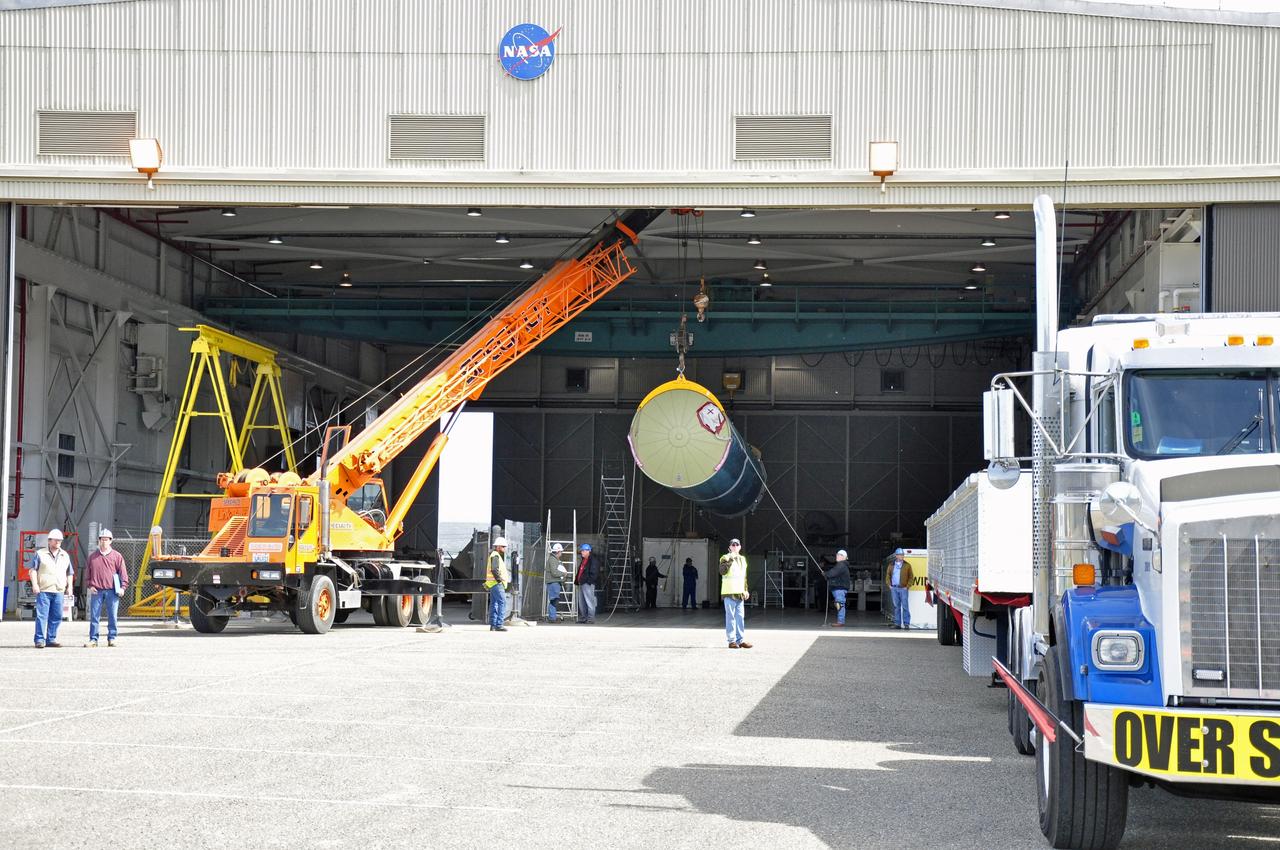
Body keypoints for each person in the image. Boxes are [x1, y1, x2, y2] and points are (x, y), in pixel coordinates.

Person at [29, 528, 73, 649]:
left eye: (60, 540)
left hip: (58, 590)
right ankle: (39, 639)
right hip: (44, 590)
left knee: (57, 616)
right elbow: (33, 570)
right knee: (42, 616)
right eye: (55, 540)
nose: (58, 542)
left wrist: (70, 587)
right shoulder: (40, 554)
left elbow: (69, 573)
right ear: (49, 541)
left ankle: (51, 639)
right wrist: (35, 585)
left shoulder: (65, 555)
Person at [85, 528, 129, 647]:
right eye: (102, 539)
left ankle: (112, 638)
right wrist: (90, 585)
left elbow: (123, 573)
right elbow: (87, 573)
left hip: (112, 591)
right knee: (94, 616)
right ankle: (93, 639)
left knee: (112, 615)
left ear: (111, 541)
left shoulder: (117, 556)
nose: (104, 542)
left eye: (106, 539)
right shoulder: (92, 557)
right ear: (99, 541)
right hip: (97, 590)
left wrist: (123, 587)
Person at [718, 538, 752, 649]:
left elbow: (744, 577)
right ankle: (731, 641)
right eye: (733, 544)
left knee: (740, 617)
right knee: (730, 617)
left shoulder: (743, 559)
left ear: (740, 547)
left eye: (737, 544)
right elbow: (722, 571)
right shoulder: (725, 557)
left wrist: (746, 589)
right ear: (729, 547)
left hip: (740, 594)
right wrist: (731, 558)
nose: (735, 546)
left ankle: (740, 640)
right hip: (729, 593)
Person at [484, 537, 511, 632]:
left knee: (494, 604)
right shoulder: (495, 556)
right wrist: (499, 580)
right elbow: (494, 569)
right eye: (503, 546)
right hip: (496, 584)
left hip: (492, 584)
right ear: (498, 546)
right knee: (502, 603)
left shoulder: (494, 555)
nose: (504, 548)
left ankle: (493, 625)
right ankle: (499, 625)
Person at [822, 549, 852, 627]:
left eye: (840, 555)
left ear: (844, 557)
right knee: (839, 604)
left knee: (840, 604)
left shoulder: (841, 565)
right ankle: (840, 620)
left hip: (839, 588)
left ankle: (840, 621)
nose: (837, 556)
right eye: (837, 554)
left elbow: (833, 573)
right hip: (839, 588)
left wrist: (826, 574)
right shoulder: (841, 565)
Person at [886, 548, 914, 629]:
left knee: (905, 606)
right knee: (896, 606)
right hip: (894, 588)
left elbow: (911, 577)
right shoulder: (891, 565)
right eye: (900, 555)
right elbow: (888, 575)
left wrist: (907, 586)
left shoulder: (907, 565)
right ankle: (897, 624)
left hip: (903, 589)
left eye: (903, 555)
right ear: (896, 556)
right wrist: (889, 585)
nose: (902, 556)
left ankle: (906, 624)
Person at [544, 542, 568, 622]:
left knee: (554, 600)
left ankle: (552, 617)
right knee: (554, 600)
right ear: (557, 551)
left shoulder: (554, 559)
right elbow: (554, 572)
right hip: (553, 582)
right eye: (561, 551)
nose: (561, 553)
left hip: (555, 582)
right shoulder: (553, 560)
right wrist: (563, 574)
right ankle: (552, 618)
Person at [575, 543, 597, 624]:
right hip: (582, 583)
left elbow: (594, 573)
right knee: (582, 602)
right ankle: (584, 618)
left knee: (589, 601)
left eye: (583, 551)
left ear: (588, 551)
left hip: (587, 584)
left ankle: (590, 618)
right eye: (582, 551)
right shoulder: (584, 560)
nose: (582, 552)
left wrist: (588, 582)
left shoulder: (593, 560)